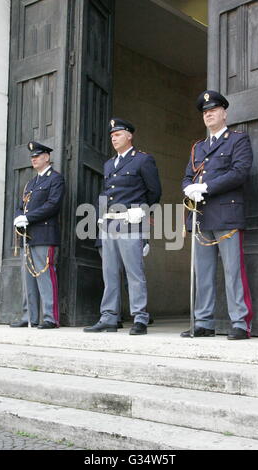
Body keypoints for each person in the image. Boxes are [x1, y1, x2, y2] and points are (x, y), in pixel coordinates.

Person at [181, 90, 254, 340]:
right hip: (201, 217)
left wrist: (206, 187)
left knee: (234, 271)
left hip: (227, 214)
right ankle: (203, 322)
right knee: (203, 273)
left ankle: (240, 323)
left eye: (213, 110)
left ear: (224, 113)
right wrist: (189, 188)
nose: (208, 114)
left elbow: (240, 172)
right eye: (204, 112)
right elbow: (187, 176)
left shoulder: (237, 140)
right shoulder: (198, 147)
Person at [84, 118, 161, 335]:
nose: (113, 138)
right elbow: (107, 193)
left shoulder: (143, 160)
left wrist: (144, 212)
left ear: (129, 136)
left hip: (130, 221)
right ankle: (109, 316)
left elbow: (154, 191)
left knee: (134, 272)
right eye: (111, 136)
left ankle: (140, 317)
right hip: (109, 223)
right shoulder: (109, 164)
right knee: (109, 272)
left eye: (117, 134)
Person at [10, 141, 65, 329]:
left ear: (47, 157)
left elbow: (52, 205)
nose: (33, 159)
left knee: (45, 276)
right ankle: (30, 317)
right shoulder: (31, 183)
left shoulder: (55, 179)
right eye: (32, 157)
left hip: (45, 234)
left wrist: (28, 217)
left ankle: (50, 317)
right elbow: (20, 205)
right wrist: (19, 217)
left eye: (37, 156)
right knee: (29, 277)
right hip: (28, 235)